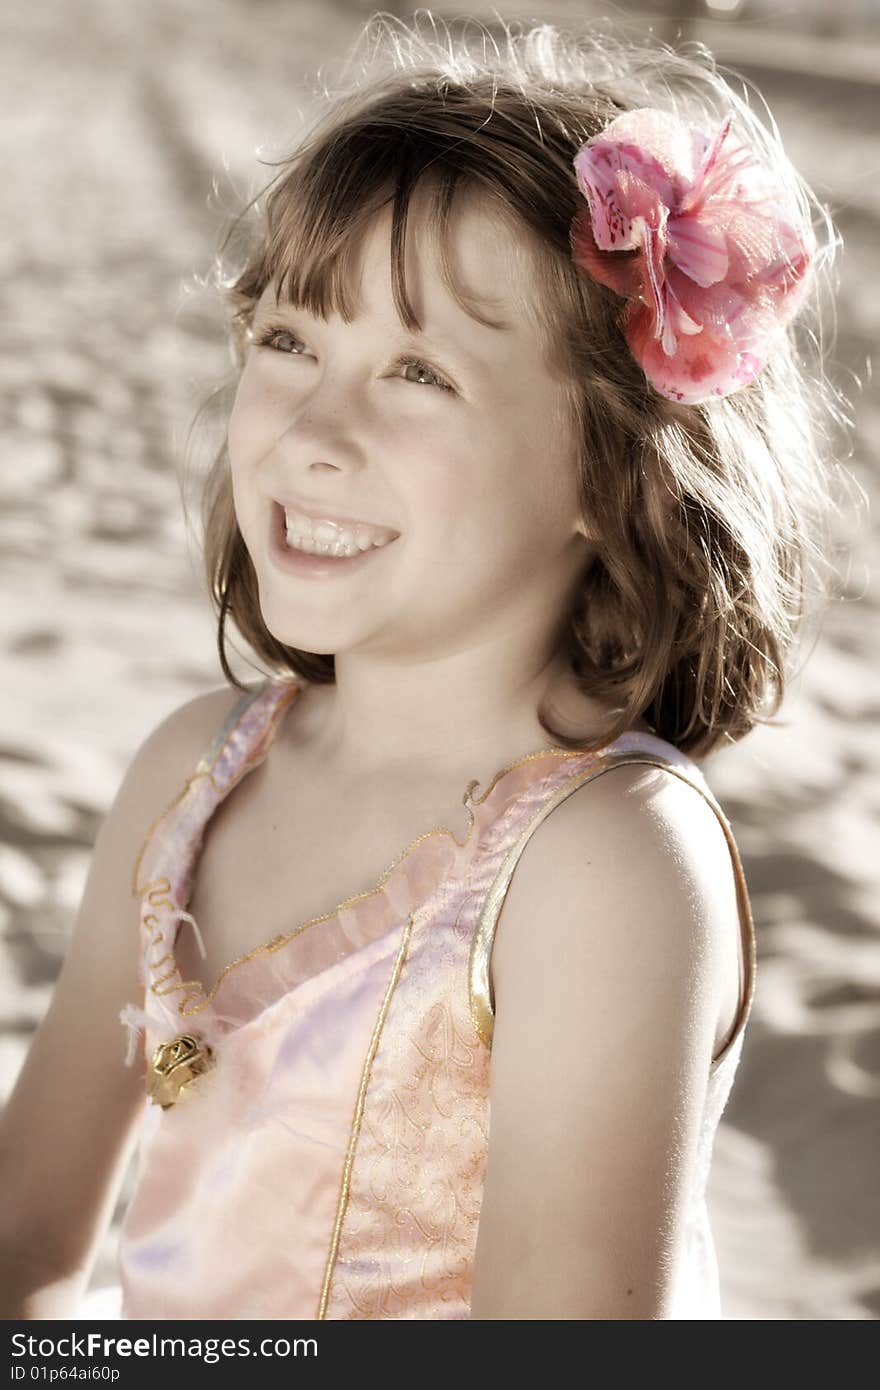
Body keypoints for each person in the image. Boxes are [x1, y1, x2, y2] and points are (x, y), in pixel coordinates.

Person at [0, 12, 851, 1320]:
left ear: (609, 467)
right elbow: (31, 1239)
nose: (314, 429)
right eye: (289, 341)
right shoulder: (194, 770)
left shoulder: (604, 862)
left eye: (418, 371)